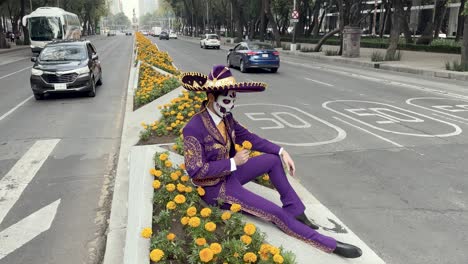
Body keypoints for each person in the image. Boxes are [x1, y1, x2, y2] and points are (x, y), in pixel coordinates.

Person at [181, 65, 362, 258]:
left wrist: (281, 150)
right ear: (210, 97)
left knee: (272, 160)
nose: (231, 105)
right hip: (215, 189)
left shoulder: (226, 117)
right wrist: (233, 162)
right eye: (226, 100)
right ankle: (329, 244)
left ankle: (295, 209)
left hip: (230, 175)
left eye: (233, 100)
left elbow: (250, 137)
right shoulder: (193, 128)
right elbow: (195, 171)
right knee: (274, 213)